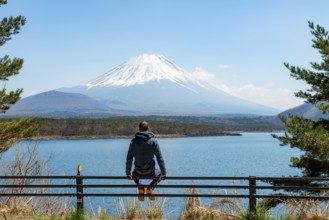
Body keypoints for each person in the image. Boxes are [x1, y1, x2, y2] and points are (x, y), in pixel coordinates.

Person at [126, 121, 166, 201]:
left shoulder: (133, 141)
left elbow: (129, 158)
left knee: (133, 173)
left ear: (139, 129)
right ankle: (150, 187)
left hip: (138, 172)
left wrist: (128, 173)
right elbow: (159, 158)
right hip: (151, 172)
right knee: (160, 173)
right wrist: (164, 173)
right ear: (148, 129)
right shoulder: (154, 141)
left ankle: (140, 187)